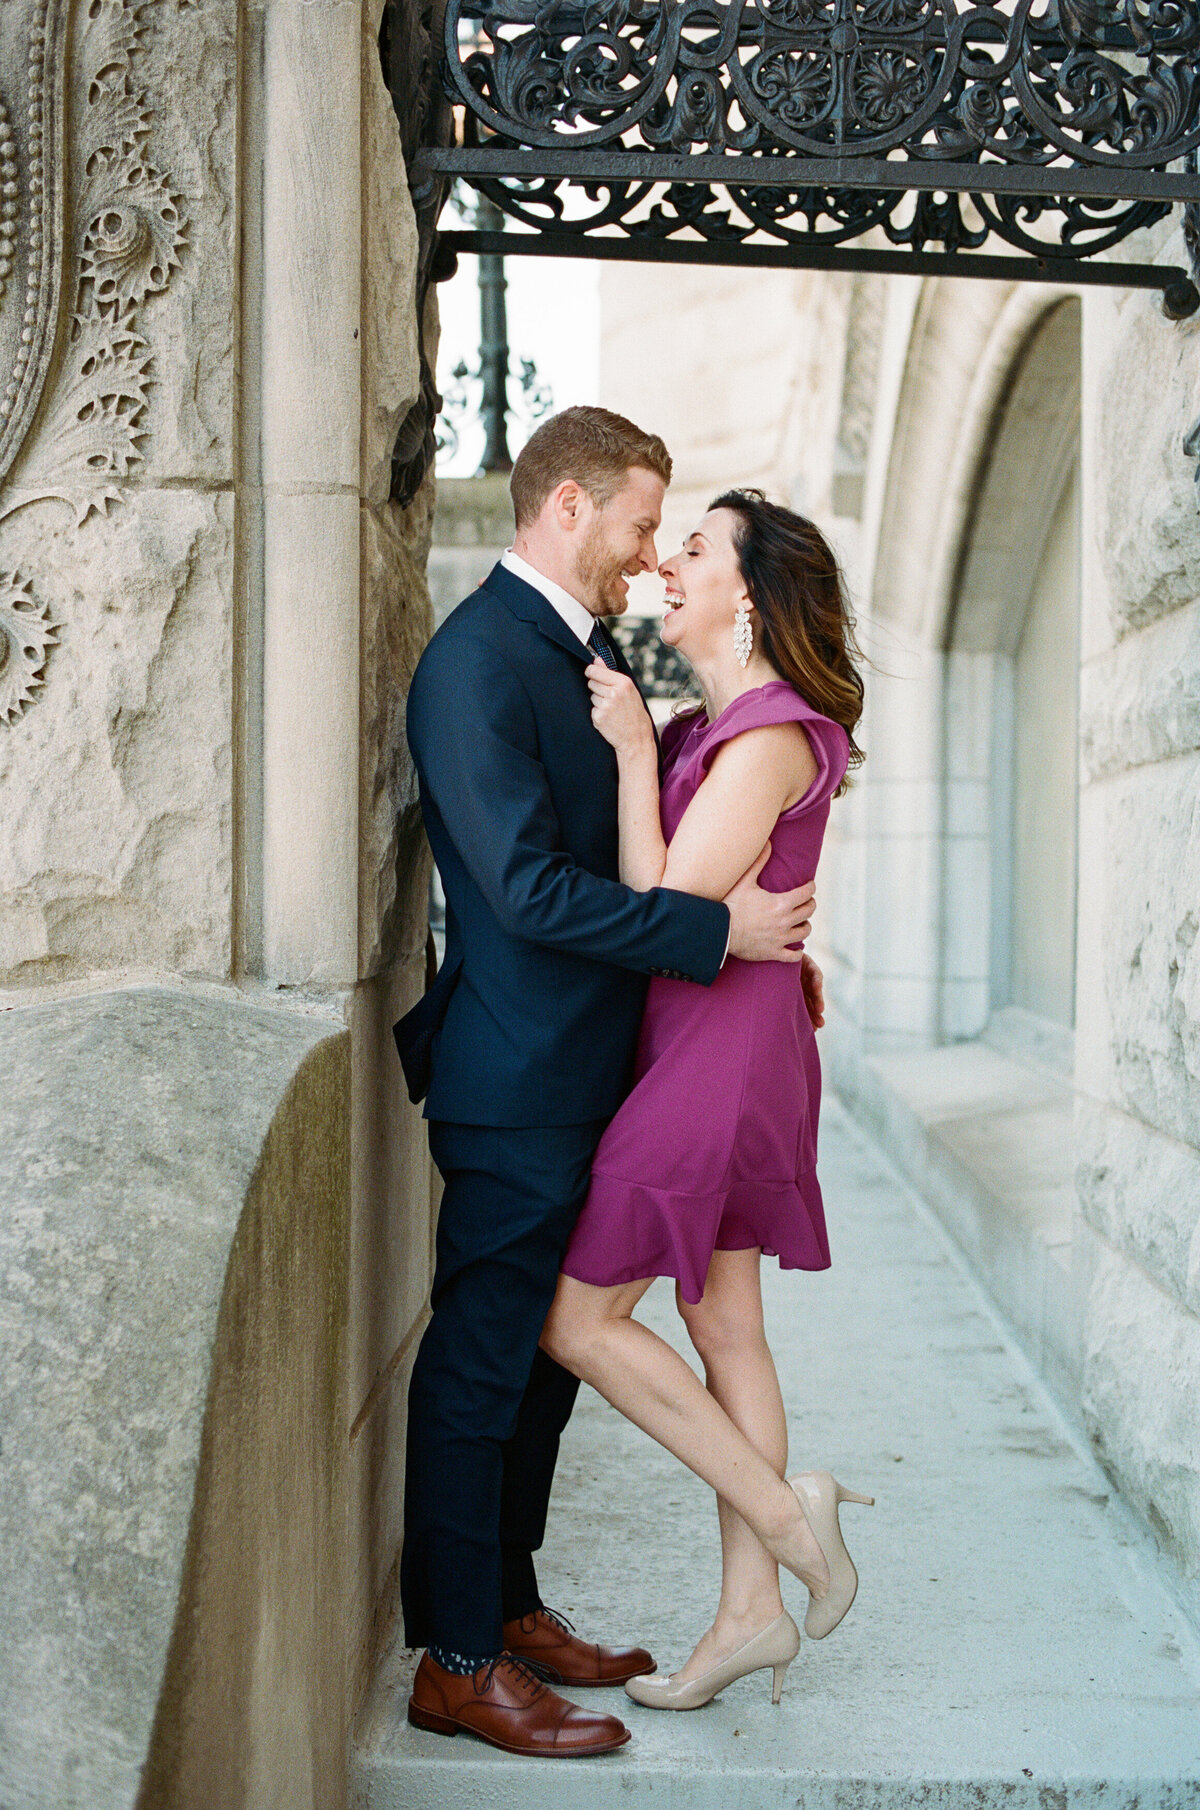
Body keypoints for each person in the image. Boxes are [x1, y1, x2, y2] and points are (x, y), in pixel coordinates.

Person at [394, 410, 826, 1758]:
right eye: (645, 523)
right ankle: (457, 1658)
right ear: (567, 505)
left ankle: (510, 1605)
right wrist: (720, 935)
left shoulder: (575, 653)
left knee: (542, 1373)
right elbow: (523, 889)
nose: (652, 555)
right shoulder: (475, 660)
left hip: (600, 1072)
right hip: (515, 1074)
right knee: (481, 1366)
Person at [542, 488, 871, 1712]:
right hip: (714, 1038)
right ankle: (747, 1618)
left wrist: (632, 756)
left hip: (719, 1063)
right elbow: (671, 908)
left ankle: (792, 1521)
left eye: (695, 548)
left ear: (751, 591)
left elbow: (662, 907)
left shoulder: (770, 732)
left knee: (579, 1319)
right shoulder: (705, 731)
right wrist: (651, 759)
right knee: (726, 1330)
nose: (667, 561)